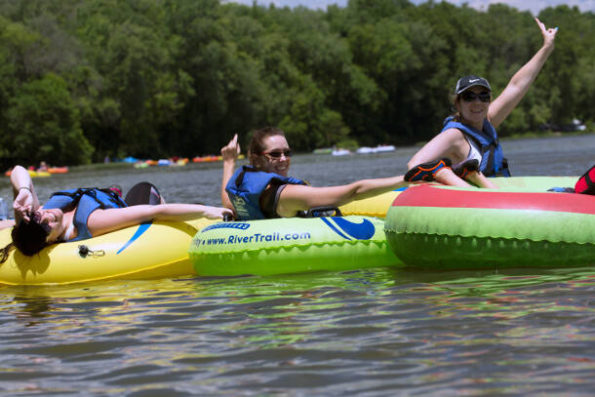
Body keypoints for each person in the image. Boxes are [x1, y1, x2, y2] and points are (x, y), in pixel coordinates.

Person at [407, 17, 558, 188]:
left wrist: (547, 47)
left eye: (483, 96)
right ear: (458, 104)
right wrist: (447, 179)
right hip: (473, 204)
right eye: (469, 97)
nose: (477, 102)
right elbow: (414, 165)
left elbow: (516, 86)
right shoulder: (453, 136)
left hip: (495, 198)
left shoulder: (487, 122)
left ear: (489, 101)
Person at [1, 165, 232, 258]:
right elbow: (155, 211)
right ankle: (114, 196)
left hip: (98, 197)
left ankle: (110, 194)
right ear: (49, 242)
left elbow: (19, 170)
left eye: (38, 216)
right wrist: (209, 211)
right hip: (122, 209)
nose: (46, 216)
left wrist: (24, 191)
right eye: (46, 226)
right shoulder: (94, 221)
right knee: (145, 188)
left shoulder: (39, 215)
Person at [220, 128, 410, 220]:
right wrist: (407, 178)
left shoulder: (245, 188)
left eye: (287, 152)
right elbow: (354, 191)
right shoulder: (285, 194)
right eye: (275, 154)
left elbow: (228, 202)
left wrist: (229, 162)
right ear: (257, 159)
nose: (284, 159)